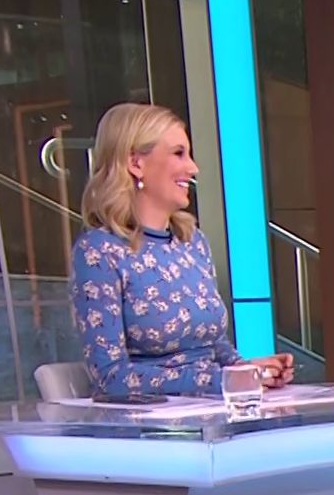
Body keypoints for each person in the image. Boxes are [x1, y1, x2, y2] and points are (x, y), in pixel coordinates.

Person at [72, 102, 292, 397]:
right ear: (136, 164)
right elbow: (111, 377)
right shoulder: (99, 252)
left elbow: (215, 346)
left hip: (212, 407)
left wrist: (252, 371)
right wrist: (222, 380)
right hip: (151, 419)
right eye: (178, 153)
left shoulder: (193, 242)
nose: (193, 168)